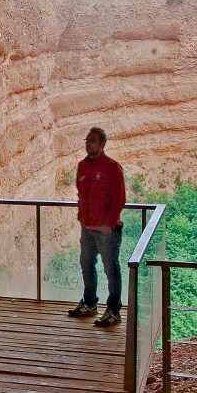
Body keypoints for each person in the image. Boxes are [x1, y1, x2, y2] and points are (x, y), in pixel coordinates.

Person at [71, 125, 126, 328]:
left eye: (92, 140)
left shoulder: (112, 167)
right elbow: (81, 194)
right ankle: (90, 302)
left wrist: (109, 223)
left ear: (102, 144)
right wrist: (81, 216)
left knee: (111, 269)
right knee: (86, 265)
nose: (88, 144)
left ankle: (113, 310)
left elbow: (120, 198)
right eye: (87, 140)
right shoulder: (82, 166)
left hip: (106, 230)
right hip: (87, 228)